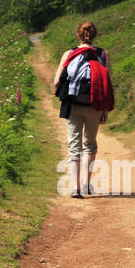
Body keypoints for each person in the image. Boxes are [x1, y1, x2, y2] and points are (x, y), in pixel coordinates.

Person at [53, 21, 111, 198]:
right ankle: (87, 184)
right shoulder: (102, 54)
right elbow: (107, 83)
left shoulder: (69, 54)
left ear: (78, 35)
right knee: (90, 143)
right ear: (95, 35)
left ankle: (74, 188)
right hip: (94, 105)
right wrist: (105, 110)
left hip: (73, 104)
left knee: (74, 145)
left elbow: (56, 82)